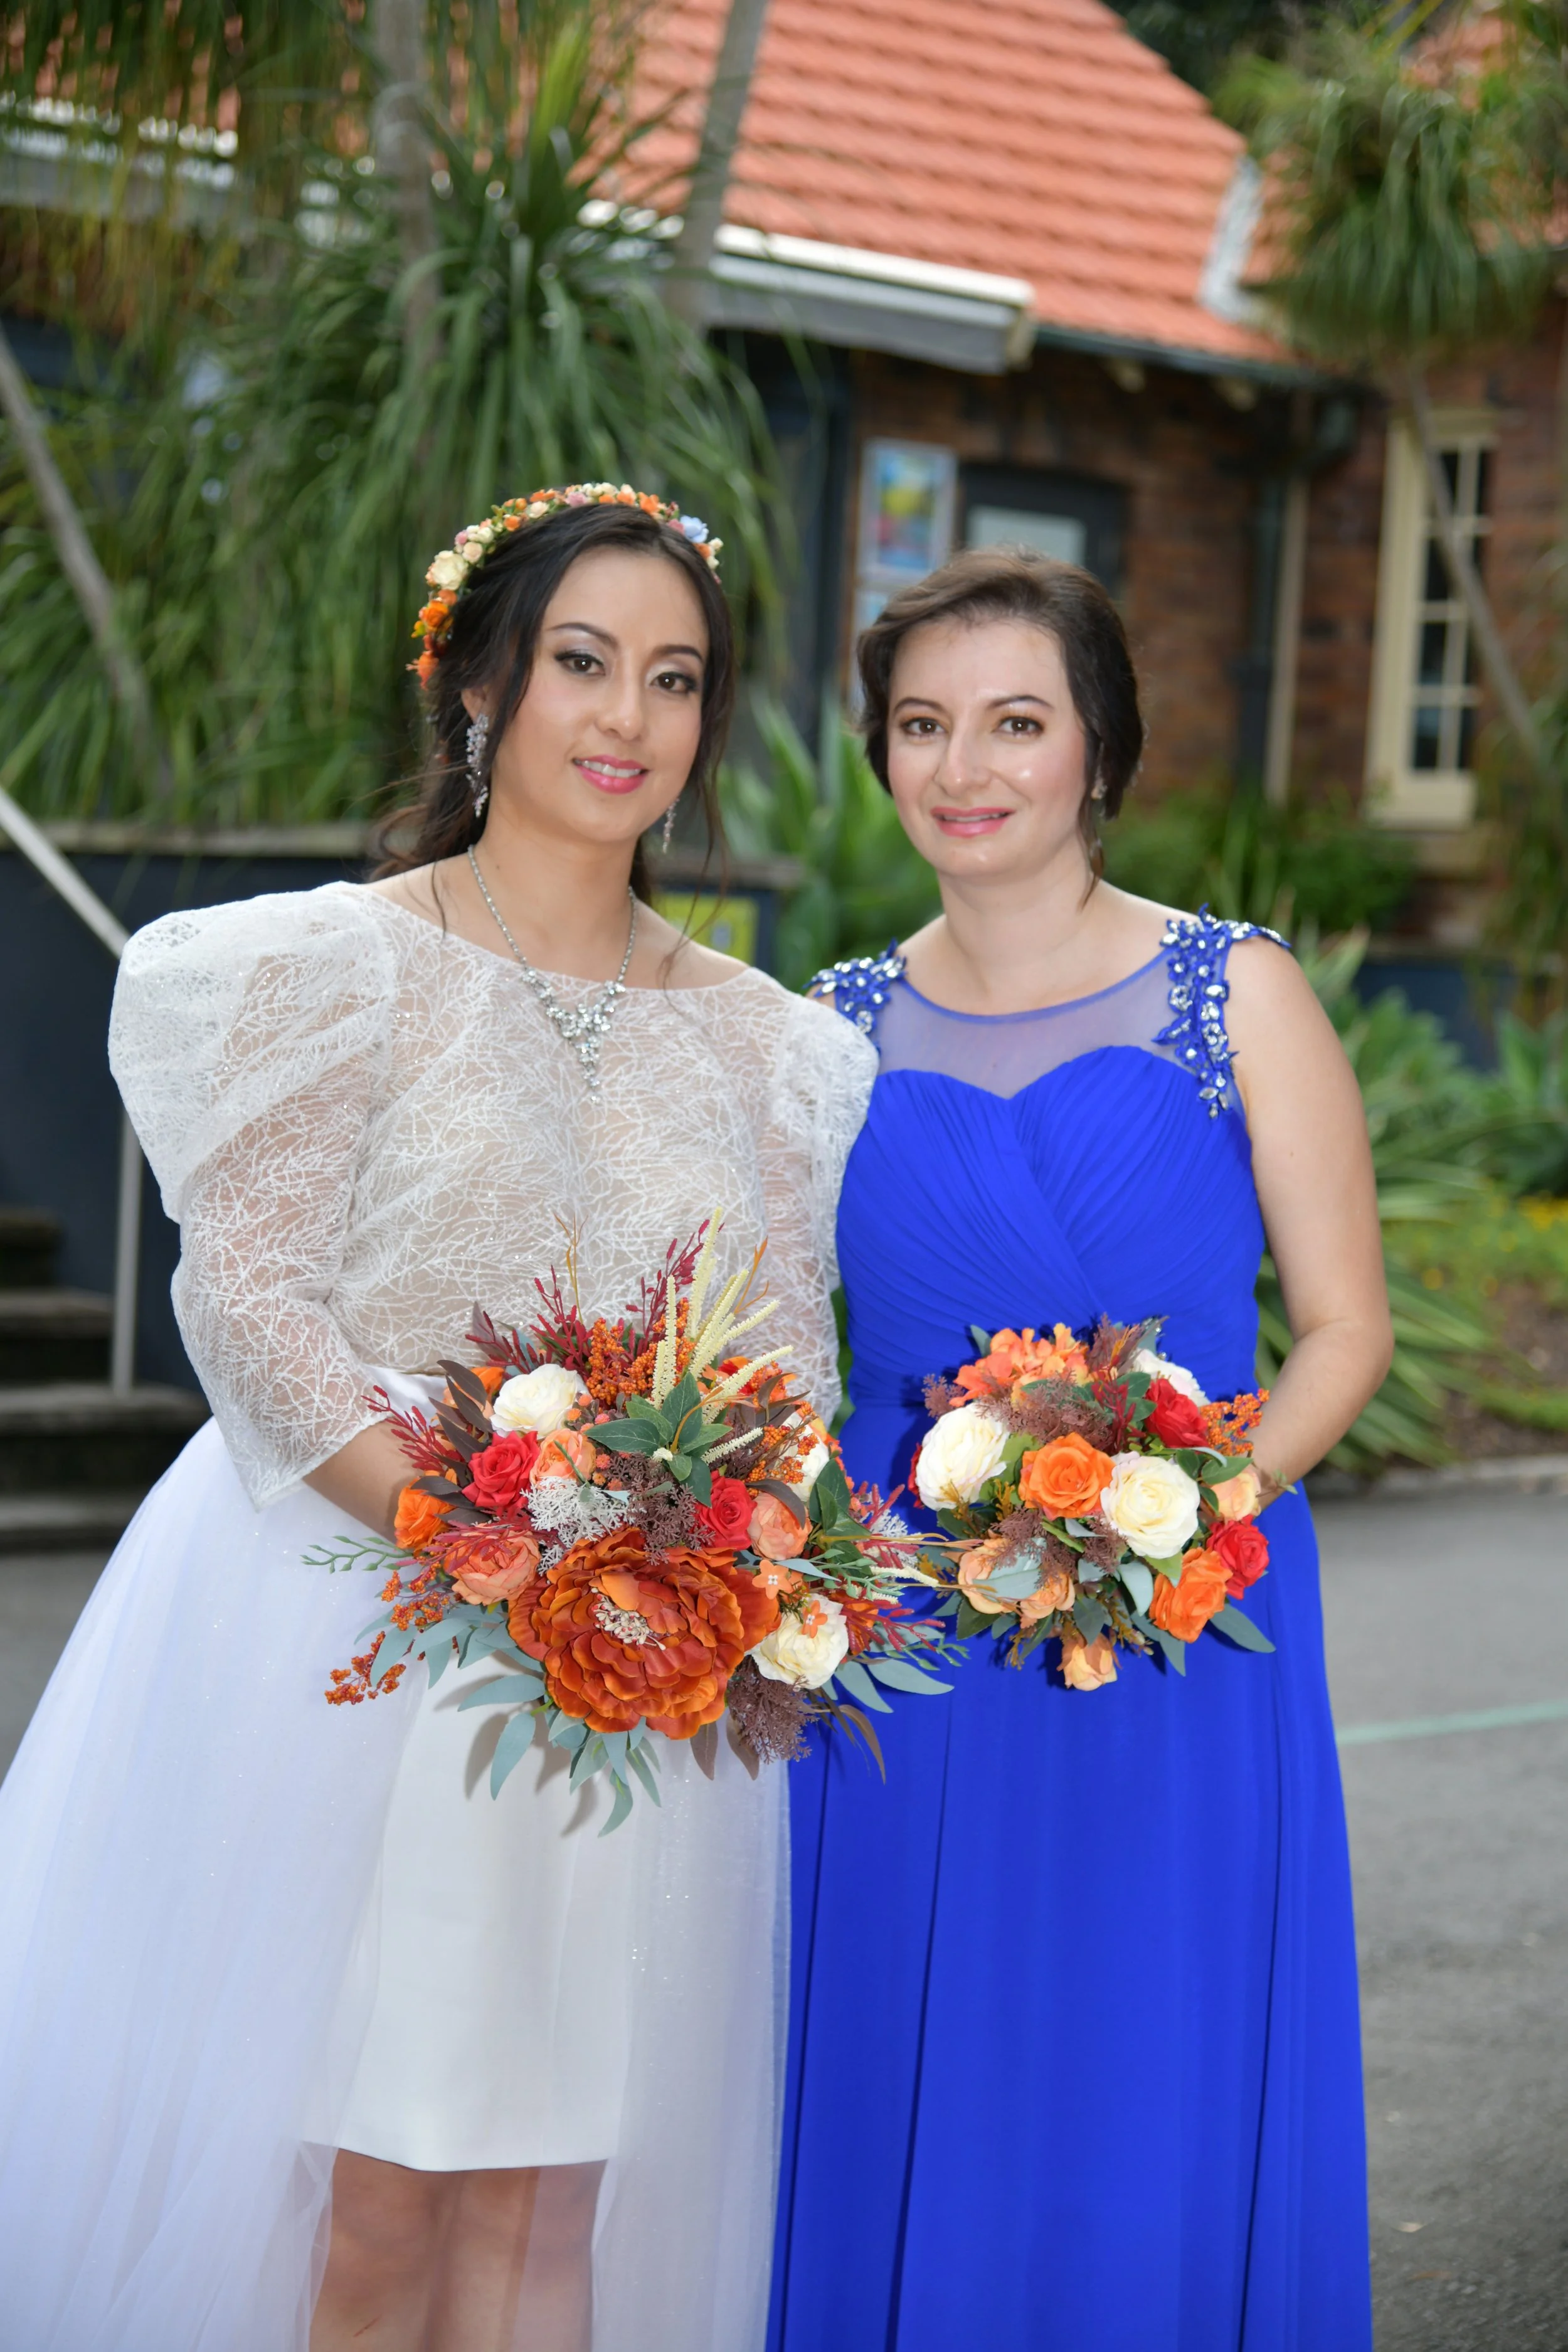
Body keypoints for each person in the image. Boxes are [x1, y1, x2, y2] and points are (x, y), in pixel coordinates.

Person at [0, 488, 874, 2352]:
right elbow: (245, 1295)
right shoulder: (332, 965)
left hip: (637, 1659)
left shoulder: (769, 1044)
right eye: (579, 662)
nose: (625, 716)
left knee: (558, 2211)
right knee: (369, 2202)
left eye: (673, 676)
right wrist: (463, 1538)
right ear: (477, 683)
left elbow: (786, 1373)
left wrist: (705, 1564)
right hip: (357, 1629)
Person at [771, 547, 1388, 2352]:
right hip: (903, 1647)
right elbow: (786, 1356)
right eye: (921, 723)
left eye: (1014, 721)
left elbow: (1345, 1327)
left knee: (1146, 2053)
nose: (962, 764)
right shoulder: (826, 1029)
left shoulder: (1235, 992)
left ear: (1096, 749)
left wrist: (1189, 1507)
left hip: (1177, 1622)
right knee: (907, 2053)